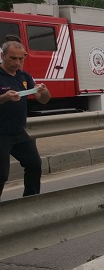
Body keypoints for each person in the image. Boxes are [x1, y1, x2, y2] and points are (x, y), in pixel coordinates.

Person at [0, 40, 51, 199]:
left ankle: (30, 201)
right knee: (1, 175)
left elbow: (43, 100)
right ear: (2, 56)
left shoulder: (24, 76)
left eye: (21, 59)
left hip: (19, 132)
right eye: (13, 58)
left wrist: (44, 92)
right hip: (1, 134)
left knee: (34, 164)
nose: (17, 63)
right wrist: (4, 98)